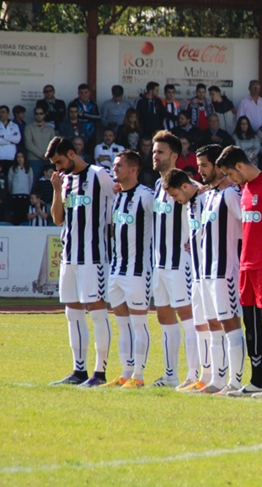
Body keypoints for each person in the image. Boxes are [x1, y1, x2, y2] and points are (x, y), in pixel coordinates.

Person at [165, 146, 245, 395]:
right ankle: (217, 381)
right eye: (198, 166)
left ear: (218, 166)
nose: (199, 170)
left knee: (230, 323)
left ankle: (235, 381)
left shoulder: (231, 194)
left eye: (204, 166)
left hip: (225, 271)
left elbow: (246, 229)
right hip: (204, 272)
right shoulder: (208, 195)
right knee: (213, 325)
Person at [215, 145, 262, 398]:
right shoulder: (243, 189)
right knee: (251, 325)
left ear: (239, 167)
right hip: (246, 267)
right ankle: (256, 381)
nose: (231, 181)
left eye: (230, 175)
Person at [47, 136, 115, 387]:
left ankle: (100, 373)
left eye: (59, 161)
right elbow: (57, 219)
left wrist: (111, 232)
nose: (58, 168)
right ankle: (79, 371)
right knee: (72, 312)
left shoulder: (99, 175)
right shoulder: (63, 182)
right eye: (54, 164)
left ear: (72, 154)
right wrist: (56, 190)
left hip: (93, 257)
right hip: (69, 256)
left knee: (97, 312)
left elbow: (118, 202)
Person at [96, 150, 154, 389]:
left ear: (133, 169)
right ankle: (124, 373)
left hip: (138, 271)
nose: (114, 169)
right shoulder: (117, 196)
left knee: (139, 324)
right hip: (116, 269)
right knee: (122, 326)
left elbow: (163, 223)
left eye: (119, 165)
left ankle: (138, 377)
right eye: (114, 165)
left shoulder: (146, 196)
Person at [147, 131, 198, 389]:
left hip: (181, 264)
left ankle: (194, 376)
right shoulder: (158, 186)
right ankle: (170, 376)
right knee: (164, 319)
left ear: (175, 156)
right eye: (154, 152)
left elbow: (204, 200)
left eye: (161, 152)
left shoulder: (187, 184)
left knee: (189, 318)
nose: (155, 156)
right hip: (160, 265)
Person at [24, 105, 55, 181]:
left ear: (44, 115)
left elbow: (53, 144)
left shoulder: (50, 128)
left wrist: (48, 155)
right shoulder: (28, 127)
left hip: (48, 159)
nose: (38, 115)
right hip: (34, 160)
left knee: (49, 182)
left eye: (41, 113)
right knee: (34, 181)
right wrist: (41, 155)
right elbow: (28, 143)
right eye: (36, 114)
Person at [0, 105, 21, 173]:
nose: (1, 114)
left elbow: (17, 140)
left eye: (3, 112)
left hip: (11, 157)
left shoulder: (15, 125)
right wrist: (11, 140)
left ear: (8, 114)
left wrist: (3, 137)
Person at [8, 151, 33, 226]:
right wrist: (11, 191)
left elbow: (31, 182)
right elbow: (9, 181)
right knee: (16, 214)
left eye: (21, 157)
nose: (20, 159)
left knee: (24, 214)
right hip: (15, 194)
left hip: (25, 194)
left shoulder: (29, 169)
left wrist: (28, 191)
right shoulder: (12, 169)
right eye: (18, 157)